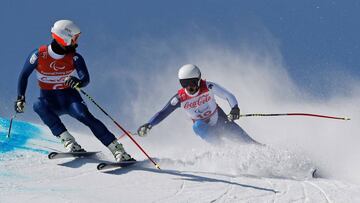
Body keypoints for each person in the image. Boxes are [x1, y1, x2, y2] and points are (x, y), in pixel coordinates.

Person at [15, 20, 134, 162]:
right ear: (63, 38)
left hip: (70, 99)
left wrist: (78, 82)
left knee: (84, 116)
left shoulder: (75, 57)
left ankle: (118, 151)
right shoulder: (39, 55)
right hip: (50, 101)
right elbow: (23, 76)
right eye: (74, 38)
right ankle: (70, 142)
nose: (76, 42)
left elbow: (85, 79)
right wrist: (20, 98)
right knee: (38, 105)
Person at [137, 64, 260, 144]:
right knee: (197, 126)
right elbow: (163, 112)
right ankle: (223, 150)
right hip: (203, 127)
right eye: (185, 84)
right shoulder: (180, 98)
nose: (189, 87)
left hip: (221, 120)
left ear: (199, 79)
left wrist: (235, 108)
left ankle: (266, 154)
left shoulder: (208, 86)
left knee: (247, 142)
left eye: (192, 82)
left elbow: (228, 95)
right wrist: (149, 124)